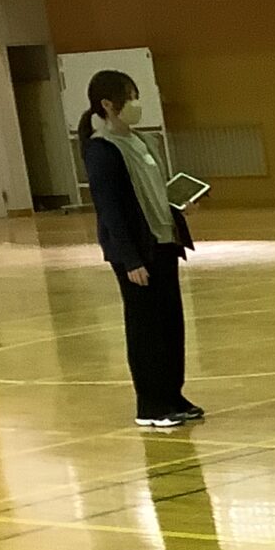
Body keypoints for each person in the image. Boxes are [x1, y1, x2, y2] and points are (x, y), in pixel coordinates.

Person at [80, 68, 199, 429]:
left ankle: (172, 394)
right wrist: (130, 259)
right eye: (129, 97)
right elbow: (111, 209)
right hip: (136, 252)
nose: (136, 103)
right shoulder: (102, 149)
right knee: (145, 327)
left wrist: (176, 206)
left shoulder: (143, 142)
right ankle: (150, 403)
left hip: (163, 243)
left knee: (170, 323)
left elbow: (155, 190)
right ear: (107, 104)